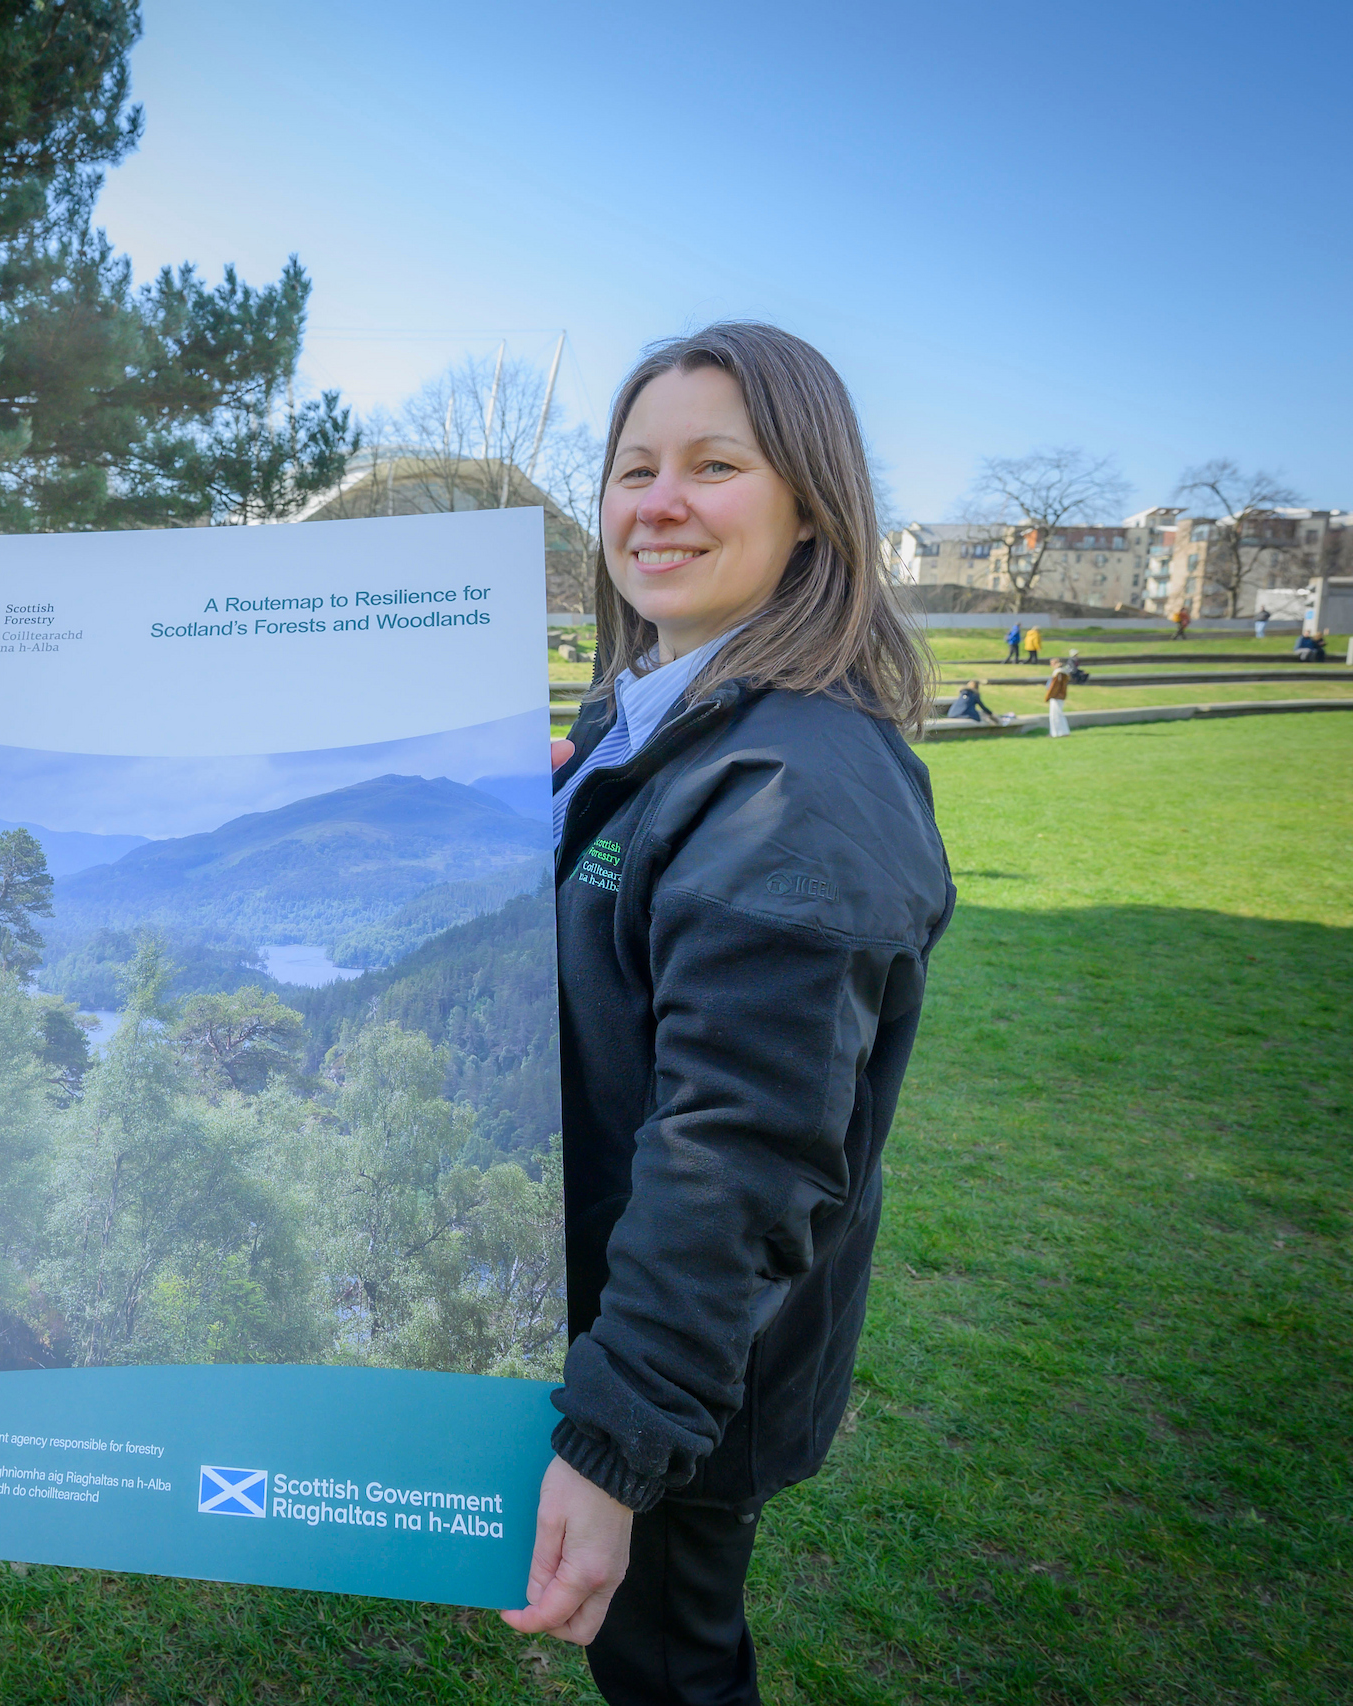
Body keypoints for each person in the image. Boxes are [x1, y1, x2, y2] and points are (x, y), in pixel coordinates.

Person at [508, 323, 952, 1706]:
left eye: (714, 465)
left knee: (670, 1670)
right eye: (633, 468)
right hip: (624, 1317)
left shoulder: (793, 788)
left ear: (811, 504)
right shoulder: (650, 718)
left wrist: (616, 1439)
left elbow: (739, 1152)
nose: (658, 503)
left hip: (684, 1364)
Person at [1044, 659, 1073, 737]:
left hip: (1056, 696)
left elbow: (1055, 686)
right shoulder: (1062, 673)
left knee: (1055, 715)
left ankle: (1057, 733)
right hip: (1059, 696)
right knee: (1058, 714)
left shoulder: (1059, 673)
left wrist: (1048, 695)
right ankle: (1062, 732)